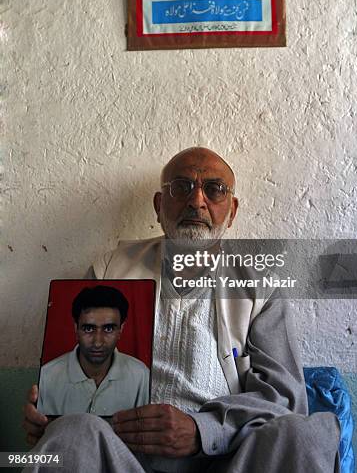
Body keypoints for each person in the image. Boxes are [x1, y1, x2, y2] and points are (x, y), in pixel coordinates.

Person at [23, 147, 340, 472]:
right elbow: (77, 372)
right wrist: (51, 416)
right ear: (160, 206)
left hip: (228, 458)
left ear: (231, 211)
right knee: (71, 434)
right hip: (124, 456)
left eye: (214, 190)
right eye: (182, 187)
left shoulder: (260, 286)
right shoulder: (110, 271)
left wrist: (203, 430)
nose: (197, 201)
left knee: (303, 434)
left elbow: (285, 400)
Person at [37, 285, 150, 416]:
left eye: (108, 329)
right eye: (89, 329)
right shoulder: (47, 376)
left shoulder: (141, 375)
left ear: (121, 330)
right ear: (76, 328)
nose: (97, 342)